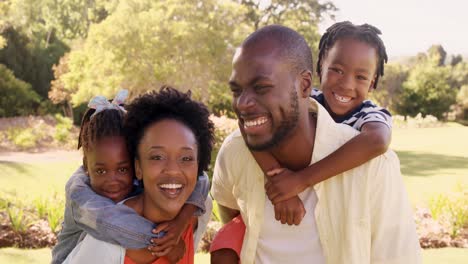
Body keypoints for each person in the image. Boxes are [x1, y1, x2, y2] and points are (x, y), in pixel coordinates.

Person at [211, 24, 421, 263]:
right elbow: (228, 204)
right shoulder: (237, 148)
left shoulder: (375, 159)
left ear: (303, 85)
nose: (243, 103)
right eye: (237, 90)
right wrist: (278, 182)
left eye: (262, 88)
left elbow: (377, 141)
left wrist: (299, 181)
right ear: (321, 70)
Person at [52, 89, 212, 264]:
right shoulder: (80, 193)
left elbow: (201, 179)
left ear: (134, 165)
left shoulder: (194, 212)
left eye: (122, 169)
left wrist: (182, 222)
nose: (112, 181)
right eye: (157, 157)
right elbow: (109, 223)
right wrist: (166, 240)